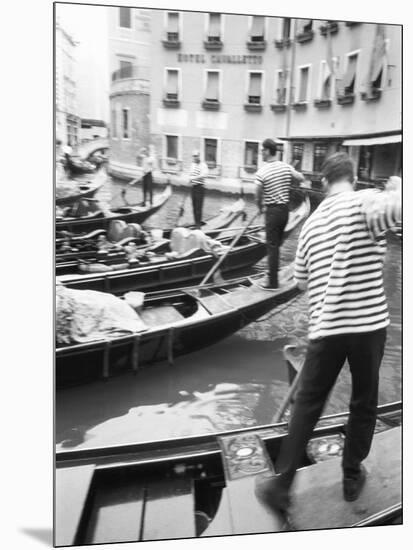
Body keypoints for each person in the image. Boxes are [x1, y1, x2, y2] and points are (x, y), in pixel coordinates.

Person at [255, 153, 402, 519]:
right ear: (351, 177)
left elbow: (303, 282)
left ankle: (280, 484)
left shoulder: (312, 224)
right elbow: (400, 209)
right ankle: (351, 476)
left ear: (323, 182)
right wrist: (397, 187)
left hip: (326, 328)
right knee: (363, 402)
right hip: (368, 326)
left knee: (307, 405)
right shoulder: (366, 202)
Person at [255, 138, 305, 288]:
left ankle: (272, 283)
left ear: (268, 151)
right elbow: (300, 178)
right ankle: (273, 273)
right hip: (285, 211)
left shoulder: (262, 171)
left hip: (272, 212)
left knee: (272, 246)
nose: (261, 153)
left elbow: (257, 193)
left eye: (262, 150)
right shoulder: (286, 167)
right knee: (276, 245)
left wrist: (259, 207)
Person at [189, 150, 209, 228]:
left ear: (199, 156)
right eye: (194, 156)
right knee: (194, 206)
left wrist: (194, 177)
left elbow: (205, 174)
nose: (195, 157)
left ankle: (198, 225)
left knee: (198, 207)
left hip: (200, 188)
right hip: (193, 187)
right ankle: (196, 222)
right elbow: (190, 174)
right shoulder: (192, 165)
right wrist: (190, 179)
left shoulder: (203, 165)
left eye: (196, 156)